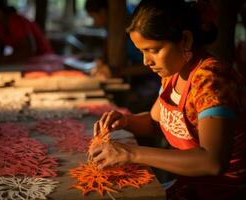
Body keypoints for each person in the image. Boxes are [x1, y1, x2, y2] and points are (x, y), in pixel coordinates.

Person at [89, 0, 246, 199]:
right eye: (141, 51)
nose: (146, 61)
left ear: (185, 40)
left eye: (153, 50)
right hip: (191, 187)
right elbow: (157, 123)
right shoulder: (173, 73)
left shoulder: (210, 79)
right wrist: (126, 121)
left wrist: (131, 153)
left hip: (225, 191)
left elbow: (212, 161)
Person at [0, 0, 53, 64]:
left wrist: (3, 60)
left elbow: (28, 51)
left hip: (44, 60)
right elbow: (0, 50)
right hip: (27, 62)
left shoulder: (15, 21)